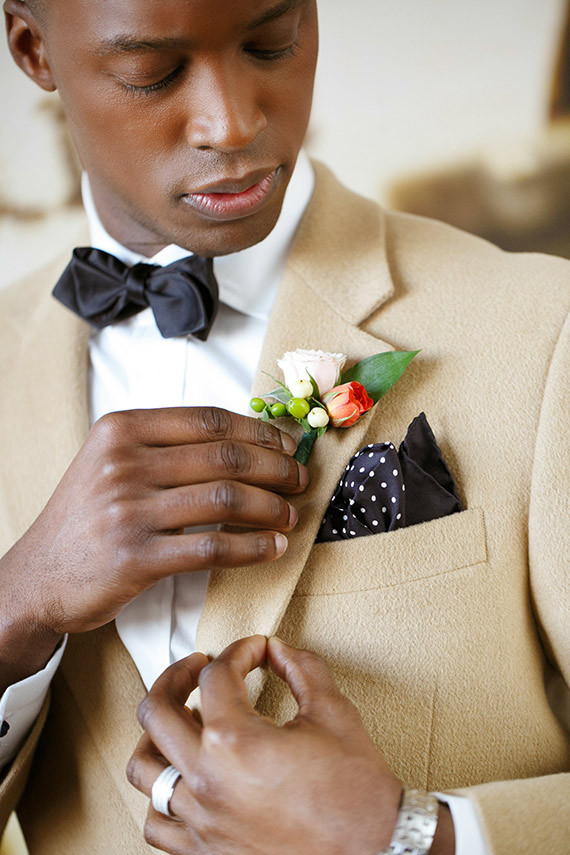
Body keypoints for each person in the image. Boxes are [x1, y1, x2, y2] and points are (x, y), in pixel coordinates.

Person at [0, 0, 568, 853]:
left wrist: (413, 836)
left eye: (271, 42)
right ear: (34, 48)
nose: (232, 122)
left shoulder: (543, 328)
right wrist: (17, 606)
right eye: (152, 72)